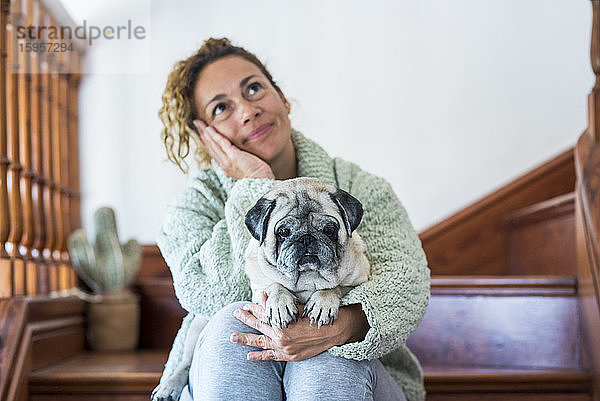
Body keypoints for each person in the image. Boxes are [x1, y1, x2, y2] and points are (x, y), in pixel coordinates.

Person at [155, 37, 430, 401]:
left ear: (282, 98)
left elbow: (407, 283)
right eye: (221, 108)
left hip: (359, 378)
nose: (246, 111)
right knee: (230, 326)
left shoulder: (362, 187)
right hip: (232, 361)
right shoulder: (190, 208)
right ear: (205, 136)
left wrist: (343, 326)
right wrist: (255, 185)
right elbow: (212, 294)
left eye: (254, 89)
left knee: (329, 354)